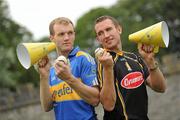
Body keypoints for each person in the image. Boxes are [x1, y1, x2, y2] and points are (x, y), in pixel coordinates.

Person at [94, 15, 166, 120]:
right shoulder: (102, 63)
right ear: (98, 39)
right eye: (100, 33)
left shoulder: (134, 57)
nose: (106, 35)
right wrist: (108, 68)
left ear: (119, 29)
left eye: (108, 29)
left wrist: (150, 62)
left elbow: (161, 88)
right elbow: (108, 105)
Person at [37, 17, 99, 120]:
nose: (67, 38)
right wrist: (43, 76)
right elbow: (47, 107)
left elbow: (95, 99)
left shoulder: (84, 59)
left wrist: (69, 78)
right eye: (61, 34)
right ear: (52, 38)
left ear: (74, 34)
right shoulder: (52, 69)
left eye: (70, 33)